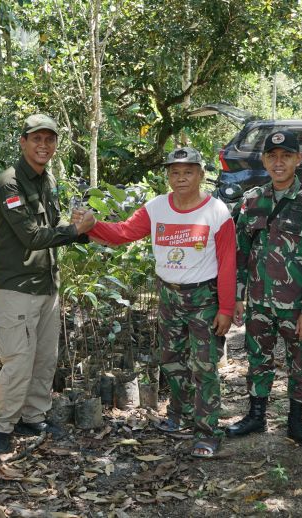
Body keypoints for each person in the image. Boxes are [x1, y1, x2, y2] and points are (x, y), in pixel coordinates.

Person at [75, 147, 236, 458]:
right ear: (167, 177)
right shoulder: (157, 207)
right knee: (172, 360)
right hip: (168, 295)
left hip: (204, 297)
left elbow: (228, 262)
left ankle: (208, 432)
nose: (181, 178)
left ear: (201, 175)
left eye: (188, 171)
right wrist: (90, 225)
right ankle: (179, 415)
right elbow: (122, 233)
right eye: (174, 172)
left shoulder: (217, 212)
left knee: (204, 366)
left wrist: (226, 309)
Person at [0, 114, 95, 453]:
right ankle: (1, 430)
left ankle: (33, 417)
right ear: (23, 142)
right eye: (37, 139)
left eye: (49, 140)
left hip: (46, 285)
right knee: (18, 362)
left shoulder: (46, 180)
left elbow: (55, 225)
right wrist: (74, 232)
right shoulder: (10, 183)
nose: (43, 145)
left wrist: (79, 229)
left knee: (44, 359)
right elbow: (31, 237)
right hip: (16, 288)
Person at [226, 130, 302, 447]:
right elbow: (241, 252)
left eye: (286, 156)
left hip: (297, 307)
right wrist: (238, 297)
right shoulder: (252, 200)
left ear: (298, 159)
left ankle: (296, 422)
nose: (279, 162)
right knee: (258, 360)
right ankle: (256, 417)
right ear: (264, 160)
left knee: (301, 365)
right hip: (259, 302)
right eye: (272, 156)